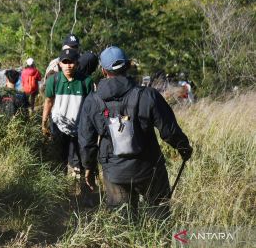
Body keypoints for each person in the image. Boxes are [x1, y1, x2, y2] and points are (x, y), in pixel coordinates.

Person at [78, 46, 193, 217]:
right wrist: (184, 148)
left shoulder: (92, 101)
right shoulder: (148, 95)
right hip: (149, 169)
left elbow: (86, 141)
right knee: (159, 217)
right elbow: (169, 131)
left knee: (123, 224)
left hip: (114, 172)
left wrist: (89, 167)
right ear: (127, 66)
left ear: (103, 70)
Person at [41, 48, 93, 174]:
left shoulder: (86, 81)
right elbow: (48, 102)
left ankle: (83, 188)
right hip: (58, 127)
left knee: (81, 162)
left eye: (71, 62)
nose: (68, 65)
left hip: (79, 128)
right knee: (59, 161)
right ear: (60, 64)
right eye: (65, 62)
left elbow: (91, 107)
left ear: (77, 63)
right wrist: (44, 122)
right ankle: (60, 188)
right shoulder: (53, 80)